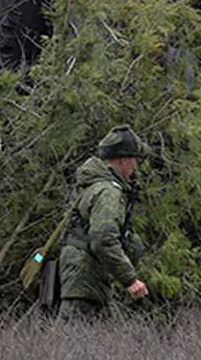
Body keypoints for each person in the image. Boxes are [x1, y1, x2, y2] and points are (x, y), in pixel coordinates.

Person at [56, 124, 150, 319]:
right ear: (123, 160)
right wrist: (130, 279)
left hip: (84, 276)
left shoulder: (93, 184)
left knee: (89, 343)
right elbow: (103, 239)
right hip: (85, 278)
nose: (135, 166)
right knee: (70, 342)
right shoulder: (108, 192)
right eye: (134, 160)